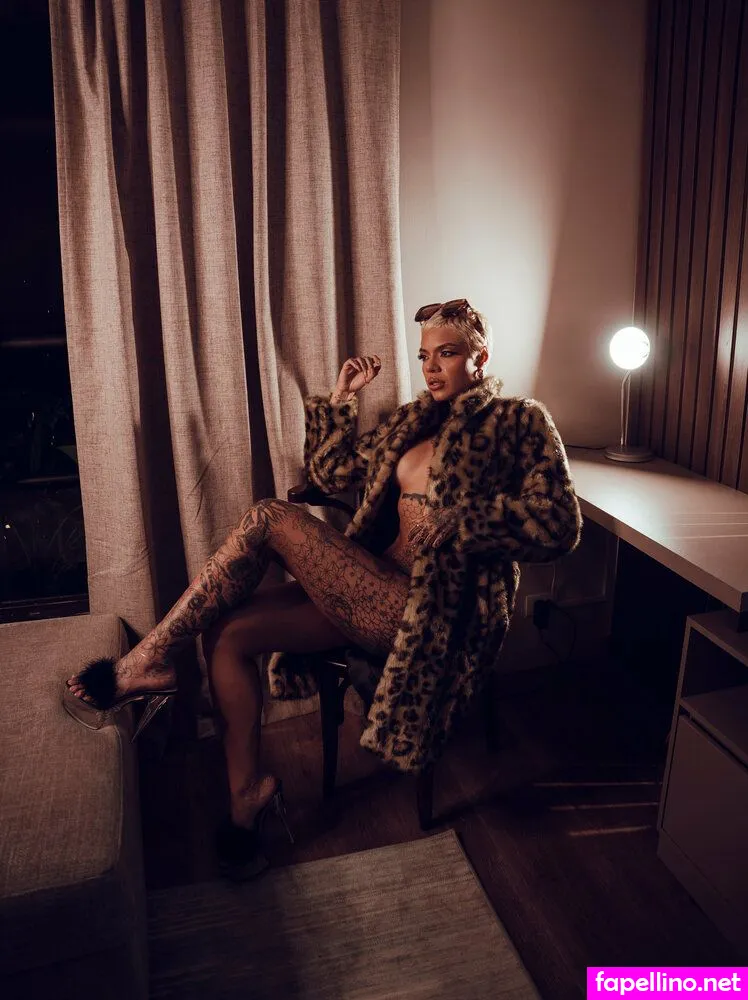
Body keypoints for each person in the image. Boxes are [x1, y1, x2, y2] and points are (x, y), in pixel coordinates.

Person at [64, 298, 582, 876]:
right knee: (228, 634)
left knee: (267, 517)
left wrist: (469, 519)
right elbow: (330, 473)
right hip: (371, 584)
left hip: (428, 614)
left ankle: (149, 659)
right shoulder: (412, 423)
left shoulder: (519, 422)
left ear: (480, 358)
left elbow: (560, 523)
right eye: (424, 357)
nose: (432, 368)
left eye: (447, 354)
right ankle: (246, 800)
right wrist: (342, 399)